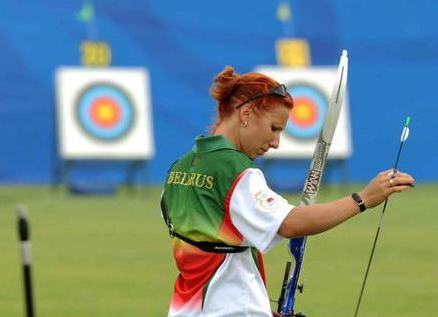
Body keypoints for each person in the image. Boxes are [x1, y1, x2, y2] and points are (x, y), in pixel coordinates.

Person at [160, 66, 414, 317]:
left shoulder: (178, 169)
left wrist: (260, 308)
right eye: (274, 128)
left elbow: (208, 250)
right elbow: (289, 224)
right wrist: (363, 199)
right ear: (246, 113)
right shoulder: (234, 169)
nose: (276, 143)